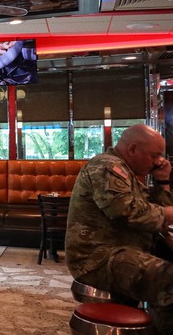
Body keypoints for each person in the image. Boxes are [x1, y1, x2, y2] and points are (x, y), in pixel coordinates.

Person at [66, 124, 173, 332]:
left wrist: (163, 182)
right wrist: (168, 213)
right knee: (168, 279)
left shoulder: (127, 172)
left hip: (123, 250)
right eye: (155, 155)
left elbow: (155, 210)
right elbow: (125, 212)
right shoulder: (107, 166)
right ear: (132, 149)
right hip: (97, 258)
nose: (159, 161)